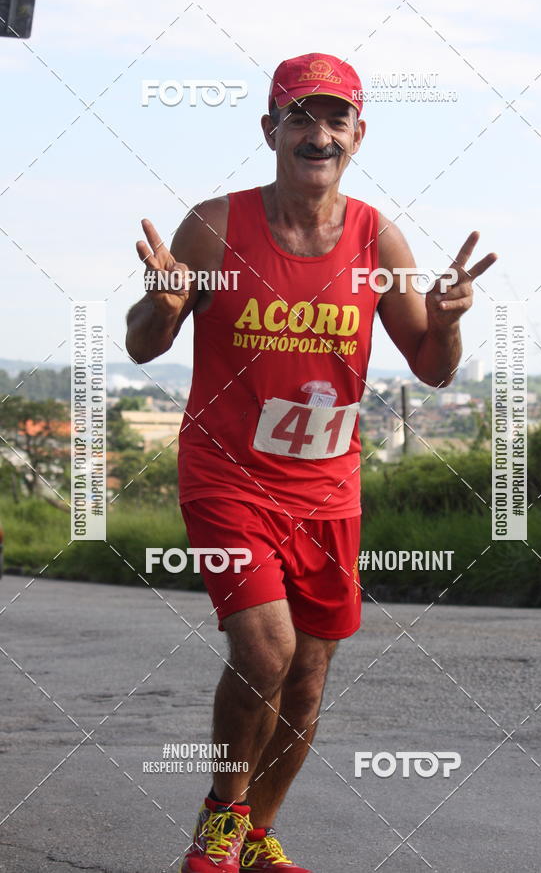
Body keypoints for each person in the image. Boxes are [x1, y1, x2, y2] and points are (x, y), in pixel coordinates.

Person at [125, 52, 497, 872]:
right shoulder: (215, 225)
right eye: (299, 117)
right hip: (227, 474)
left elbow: (432, 366)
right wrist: (162, 304)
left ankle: (257, 834)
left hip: (328, 487)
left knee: (307, 680)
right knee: (265, 650)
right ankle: (218, 829)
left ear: (358, 133)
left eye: (335, 119)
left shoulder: (376, 236)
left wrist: (449, 319)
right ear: (271, 130)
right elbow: (144, 347)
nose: (317, 134)